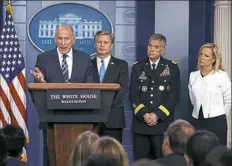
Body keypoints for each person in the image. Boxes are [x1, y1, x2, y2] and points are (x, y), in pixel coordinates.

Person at [30, 24, 95, 166]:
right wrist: (42, 82)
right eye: (60, 38)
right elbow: (37, 95)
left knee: (80, 158)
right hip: (52, 119)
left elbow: (91, 90)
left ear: (74, 39)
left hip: (80, 120)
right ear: (55, 39)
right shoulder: (43, 58)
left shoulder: (85, 59)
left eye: (67, 38)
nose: (63, 42)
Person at [129, 33, 180, 160]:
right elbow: (133, 94)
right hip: (141, 124)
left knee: (161, 161)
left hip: (162, 125)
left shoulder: (172, 67)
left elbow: (174, 96)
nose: (151, 49)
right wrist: (144, 114)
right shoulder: (137, 67)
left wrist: (157, 115)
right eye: (150, 46)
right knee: (141, 162)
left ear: (162, 49)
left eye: (156, 47)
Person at [188, 43, 231, 145]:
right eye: (201, 54)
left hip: (217, 121)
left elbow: (229, 98)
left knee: (217, 152)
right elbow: (192, 97)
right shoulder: (193, 76)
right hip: (197, 120)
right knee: (198, 150)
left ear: (213, 59)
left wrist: (222, 114)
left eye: (206, 56)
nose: (202, 58)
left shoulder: (221, 76)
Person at [91, 30, 129, 143]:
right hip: (92, 119)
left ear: (111, 45)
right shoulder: (87, 64)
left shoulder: (121, 65)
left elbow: (122, 91)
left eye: (106, 42)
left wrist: (103, 106)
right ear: (95, 44)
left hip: (113, 119)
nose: (102, 45)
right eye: (99, 42)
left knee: (113, 157)